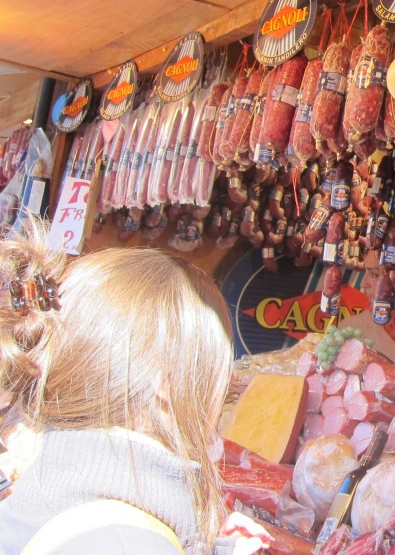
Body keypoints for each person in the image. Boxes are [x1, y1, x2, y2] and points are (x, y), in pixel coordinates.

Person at [0, 218, 268, 554]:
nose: (222, 388)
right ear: (168, 381)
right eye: (214, 371)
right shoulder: (122, 542)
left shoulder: (44, 503)